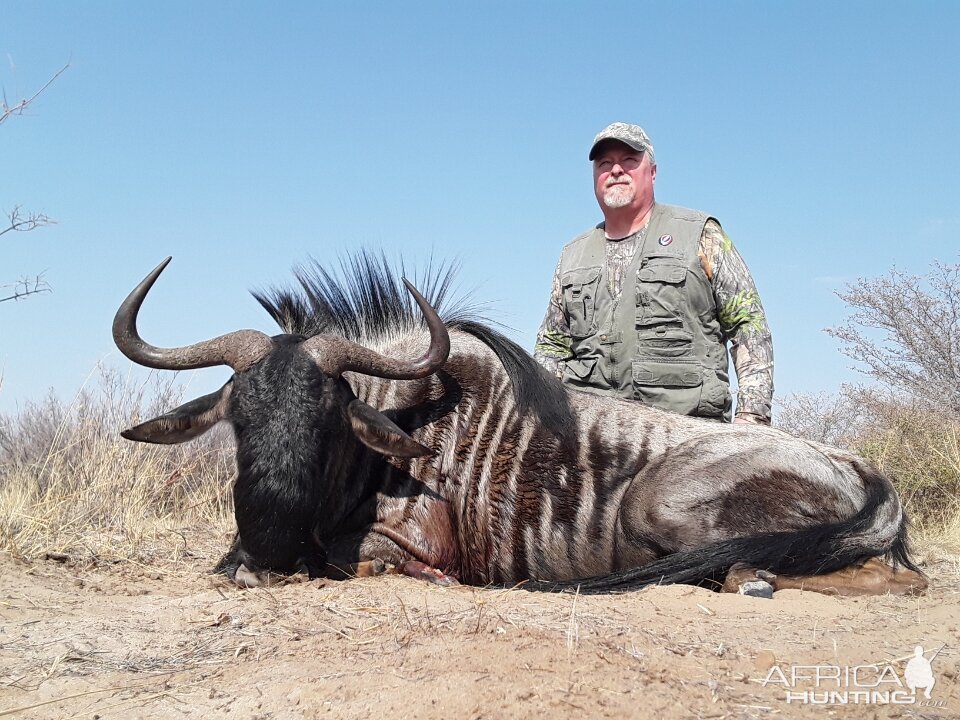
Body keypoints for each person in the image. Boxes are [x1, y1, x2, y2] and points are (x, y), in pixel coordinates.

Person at [534, 122, 773, 424]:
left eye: (629, 160)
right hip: (591, 438)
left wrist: (752, 416)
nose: (616, 170)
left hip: (687, 436)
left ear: (653, 172)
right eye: (604, 164)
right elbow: (551, 347)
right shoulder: (572, 255)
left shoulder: (701, 234)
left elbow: (748, 324)